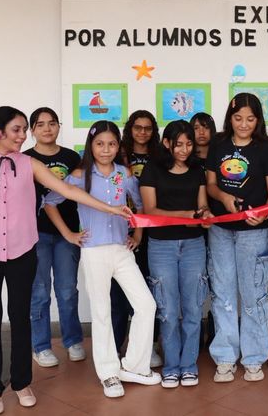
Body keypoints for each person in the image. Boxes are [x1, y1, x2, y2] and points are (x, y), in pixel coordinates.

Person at [0, 107, 130, 414]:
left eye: (24, 130)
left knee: (21, 317)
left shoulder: (30, 164)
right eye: (17, 130)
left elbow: (67, 190)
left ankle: (22, 383)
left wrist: (110, 208)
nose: (23, 136)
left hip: (22, 253)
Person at [44, 120, 161, 397]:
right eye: (99, 144)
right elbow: (49, 202)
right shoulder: (79, 175)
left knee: (146, 305)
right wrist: (69, 235)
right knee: (101, 312)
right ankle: (108, 374)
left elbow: (140, 205)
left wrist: (138, 235)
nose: (105, 150)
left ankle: (134, 366)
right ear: (91, 146)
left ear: (118, 146)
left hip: (122, 250)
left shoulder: (124, 173)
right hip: (94, 251)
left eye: (111, 144)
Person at [206, 93, 268, 383]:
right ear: (230, 118)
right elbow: (211, 185)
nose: (244, 124)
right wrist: (224, 197)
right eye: (238, 118)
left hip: (255, 233)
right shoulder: (218, 145)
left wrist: (264, 213)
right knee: (223, 294)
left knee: (254, 295)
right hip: (221, 231)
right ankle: (225, 357)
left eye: (250, 119)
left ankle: (253, 358)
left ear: (258, 120)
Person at [140, 120, 213, 388]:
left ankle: (189, 365)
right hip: (161, 246)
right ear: (166, 143)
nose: (184, 149)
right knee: (168, 311)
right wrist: (187, 215)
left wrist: (204, 215)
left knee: (193, 308)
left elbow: (202, 206)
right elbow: (150, 211)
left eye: (189, 144)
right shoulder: (152, 169)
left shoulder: (197, 170)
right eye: (178, 144)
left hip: (194, 245)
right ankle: (171, 367)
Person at [24, 107, 86, 368]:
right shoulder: (24, 159)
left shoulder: (72, 157)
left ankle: (73, 341)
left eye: (52, 123)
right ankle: (41, 346)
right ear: (32, 130)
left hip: (67, 234)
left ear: (59, 126)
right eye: (40, 124)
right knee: (39, 292)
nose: (47, 129)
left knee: (67, 290)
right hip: (34, 234)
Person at [115, 110, 163, 367]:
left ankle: (149, 345)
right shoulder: (117, 154)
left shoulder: (160, 156)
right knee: (118, 295)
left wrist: (142, 230)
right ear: (129, 129)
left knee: (149, 290)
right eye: (137, 127)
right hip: (119, 230)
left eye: (147, 128)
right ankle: (115, 346)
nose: (142, 132)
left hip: (152, 232)